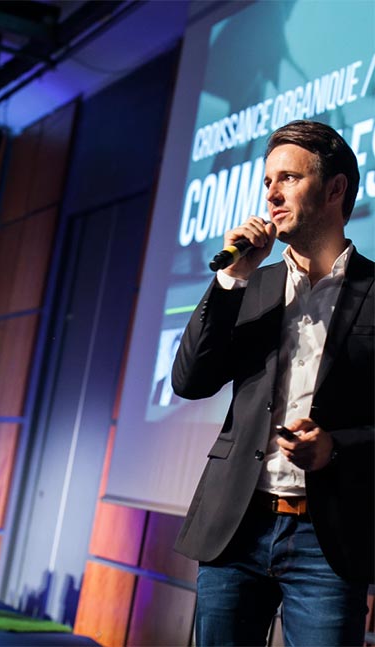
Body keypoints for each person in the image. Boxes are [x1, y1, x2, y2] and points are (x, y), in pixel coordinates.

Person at [171, 120, 374, 646]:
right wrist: (231, 278)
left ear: (335, 189)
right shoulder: (251, 285)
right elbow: (190, 381)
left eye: (289, 178)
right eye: (267, 181)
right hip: (236, 529)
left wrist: (335, 447)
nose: (272, 194)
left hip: (328, 541)